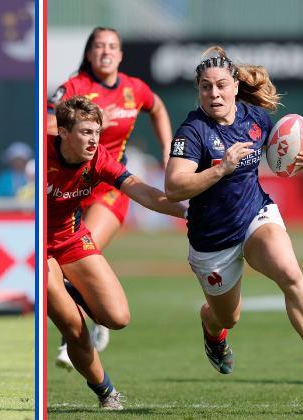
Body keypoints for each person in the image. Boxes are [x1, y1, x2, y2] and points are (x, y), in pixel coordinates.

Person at [164, 46, 303, 390]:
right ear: (199, 91)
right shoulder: (192, 132)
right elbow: (175, 186)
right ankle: (212, 329)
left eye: (221, 85)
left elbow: (285, 151)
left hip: (256, 216)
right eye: (206, 87)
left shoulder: (254, 118)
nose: (214, 93)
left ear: (235, 86)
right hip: (213, 242)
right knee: (227, 317)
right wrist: (222, 168)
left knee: (290, 273)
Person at [47, 96, 185, 409]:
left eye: (96, 132)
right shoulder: (43, 154)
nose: (93, 139)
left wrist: (188, 212)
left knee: (118, 318)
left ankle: (69, 288)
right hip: (39, 249)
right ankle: (106, 393)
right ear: (64, 133)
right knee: (73, 328)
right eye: (85, 132)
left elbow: (140, 189)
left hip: (71, 240)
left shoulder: (99, 158)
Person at [47, 27, 174, 364]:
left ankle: (83, 326)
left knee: (80, 256)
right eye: (99, 46)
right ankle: (79, 327)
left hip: (110, 184)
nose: (106, 51)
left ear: (121, 54)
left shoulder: (135, 89)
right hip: (71, 183)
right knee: (61, 263)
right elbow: (50, 124)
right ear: (89, 53)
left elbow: (158, 107)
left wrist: (167, 150)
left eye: (112, 46)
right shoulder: (74, 87)